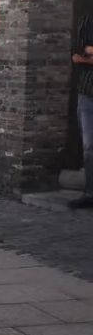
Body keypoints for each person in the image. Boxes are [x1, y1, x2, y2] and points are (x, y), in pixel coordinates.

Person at [70, 13, 93, 210]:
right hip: (87, 93)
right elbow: (76, 53)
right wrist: (85, 55)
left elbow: (82, 56)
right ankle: (90, 193)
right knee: (89, 147)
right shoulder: (87, 20)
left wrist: (87, 56)